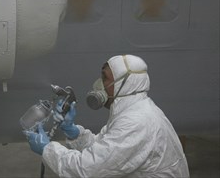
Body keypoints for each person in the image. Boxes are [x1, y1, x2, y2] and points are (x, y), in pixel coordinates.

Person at [24, 55, 190, 178]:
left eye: (105, 78)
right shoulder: (133, 109)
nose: (99, 83)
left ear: (123, 85)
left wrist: (47, 149)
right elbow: (106, 148)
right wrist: (74, 132)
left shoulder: (136, 122)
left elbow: (86, 169)